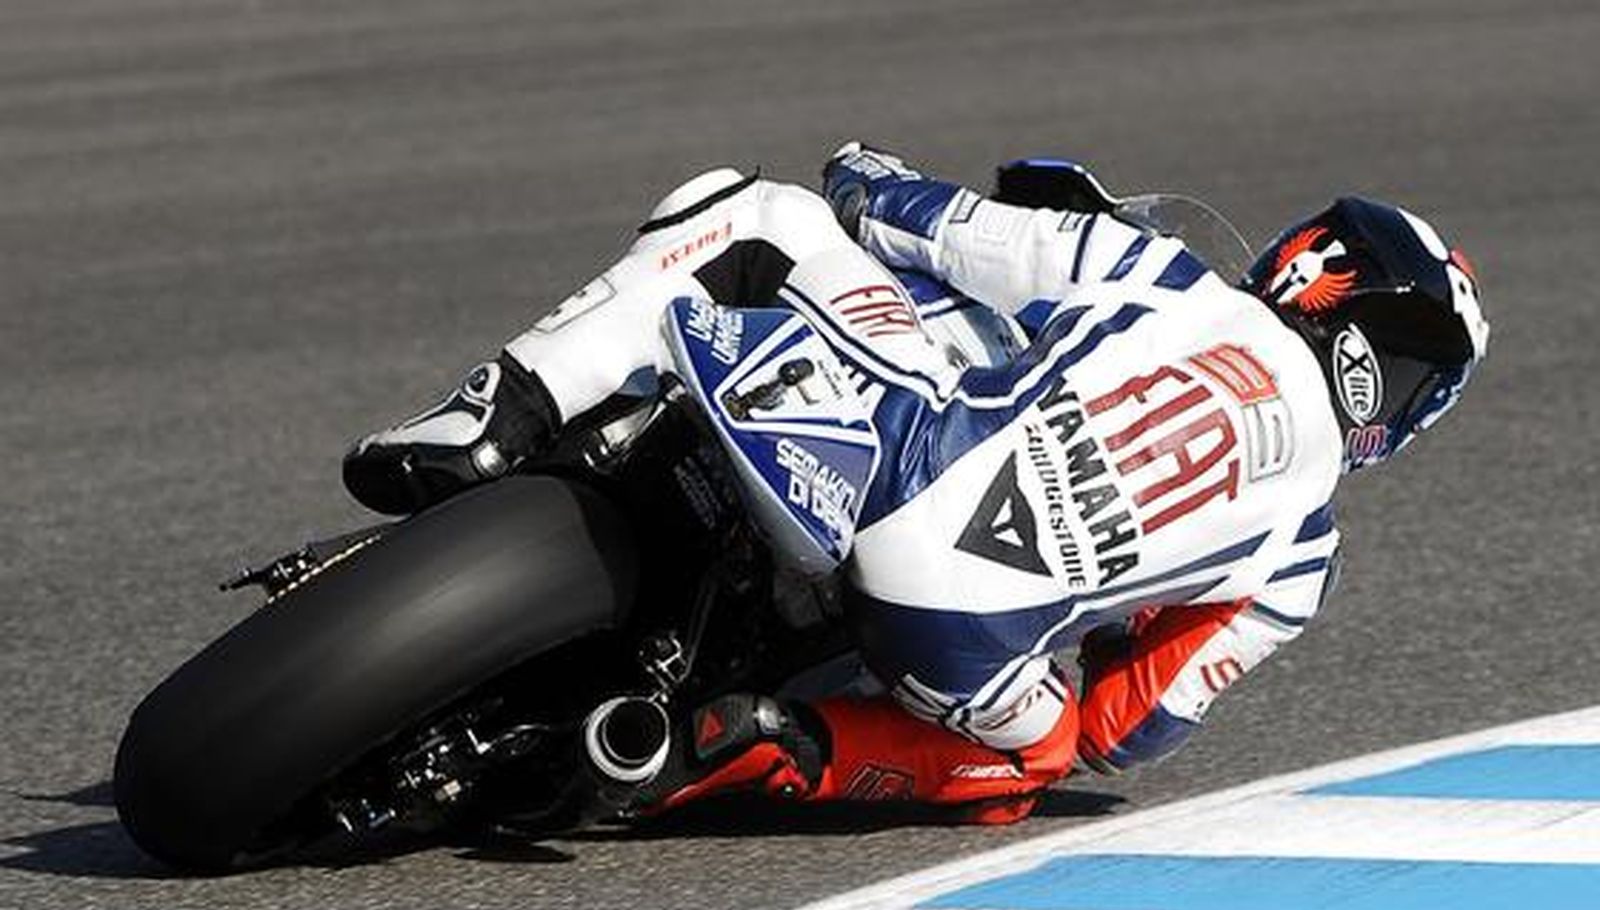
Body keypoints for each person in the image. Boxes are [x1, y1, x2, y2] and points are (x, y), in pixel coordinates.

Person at [343, 145, 1489, 824]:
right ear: (1403, 410)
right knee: (1039, 756)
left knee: (756, 211)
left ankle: (498, 413)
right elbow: (1125, 734)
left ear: (1307, 266)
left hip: (883, 463)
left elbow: (921, 223)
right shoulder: (1302, 556)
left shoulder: (1166, 276)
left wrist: (864, 171)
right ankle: (759, 743)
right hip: (955, 651)